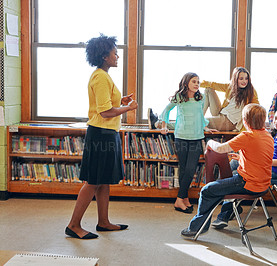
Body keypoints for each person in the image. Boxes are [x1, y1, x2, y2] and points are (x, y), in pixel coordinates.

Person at [66, 34, 138, 239]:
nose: (117, 55)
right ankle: (73, 225)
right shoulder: (100, 77)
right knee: (93, 181)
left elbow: (106, 103)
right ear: (105, 56)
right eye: (115, 52)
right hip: (101, 135)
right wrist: (128, 107)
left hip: (108, 133)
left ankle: (104, 222)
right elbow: (105, 112)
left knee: (104, 180)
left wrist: (121, 100)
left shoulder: (104, 76)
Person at [180, 103, 274, 237]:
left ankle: (197, 227)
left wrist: (210, 142)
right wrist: (241, 157)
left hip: (249, 184)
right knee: (225, 180)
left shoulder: (247, 136)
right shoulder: (267, 135)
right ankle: (225, 213)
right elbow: (259, 156)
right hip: (264, 185)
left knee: (207, 190)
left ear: (245, 121)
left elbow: (220, 149)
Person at [159, 72, 217, 214]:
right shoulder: (179, 97)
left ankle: (179, 199)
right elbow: (166, 110)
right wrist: (164, 126)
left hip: (197, 137)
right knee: (184, 168)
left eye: (198, 82)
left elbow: (200, 115)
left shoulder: (200, 98)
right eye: (194, 81)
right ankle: (183, 199)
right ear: (186, 84)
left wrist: (205, 127)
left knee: (191, 169)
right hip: (181, 137)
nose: (197, 84)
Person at [149, 67, 259, 132]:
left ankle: (157, 124)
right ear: (236, 79)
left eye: (246, 78)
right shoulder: (231, 87)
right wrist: (196, 83)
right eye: (241, 78)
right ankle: (200, 116)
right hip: (221, 114)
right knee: (209, 89)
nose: (244, 81)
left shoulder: (251, 92)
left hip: (229, 122)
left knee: (193, 123)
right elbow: (213, 84)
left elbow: (256, 109)